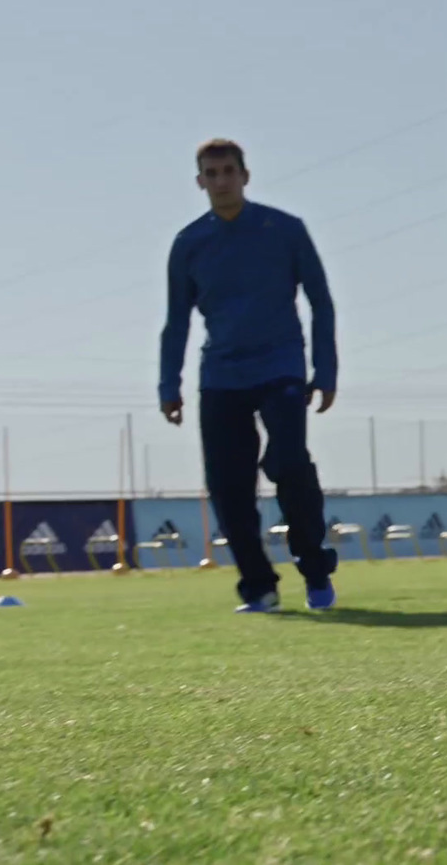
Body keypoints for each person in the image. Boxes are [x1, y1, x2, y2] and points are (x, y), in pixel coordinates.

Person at [159, 139, 341, 614]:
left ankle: (316, 568)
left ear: (245, 175)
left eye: (228, 171)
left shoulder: (284, 229)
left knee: (288, 464)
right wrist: (168, 385)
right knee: (228, 485)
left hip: (280, 367)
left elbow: (320, 301)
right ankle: (259, 586)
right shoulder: (189, 243)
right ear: (200, 181)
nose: (220, 181)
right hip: (221, 374)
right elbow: (177, 321)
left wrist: (325, 369)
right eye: (211, 173)